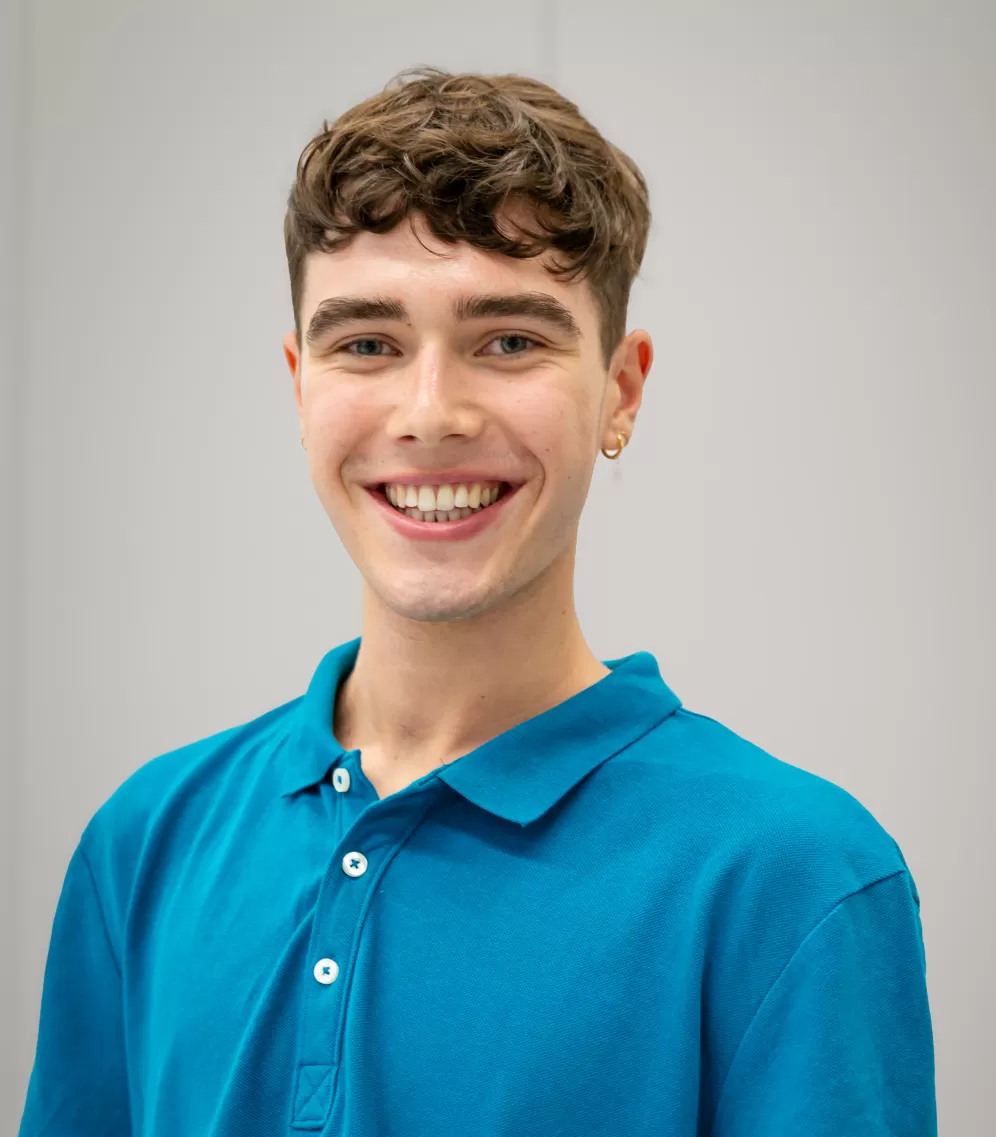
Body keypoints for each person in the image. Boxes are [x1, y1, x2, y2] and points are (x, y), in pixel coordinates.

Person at [19, 68, 936, 1136]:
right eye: (367, 343)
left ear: (621, 391)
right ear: (299, 383)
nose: (431, 412)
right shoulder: (145, 841)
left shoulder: (792, 879)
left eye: (509, 341)